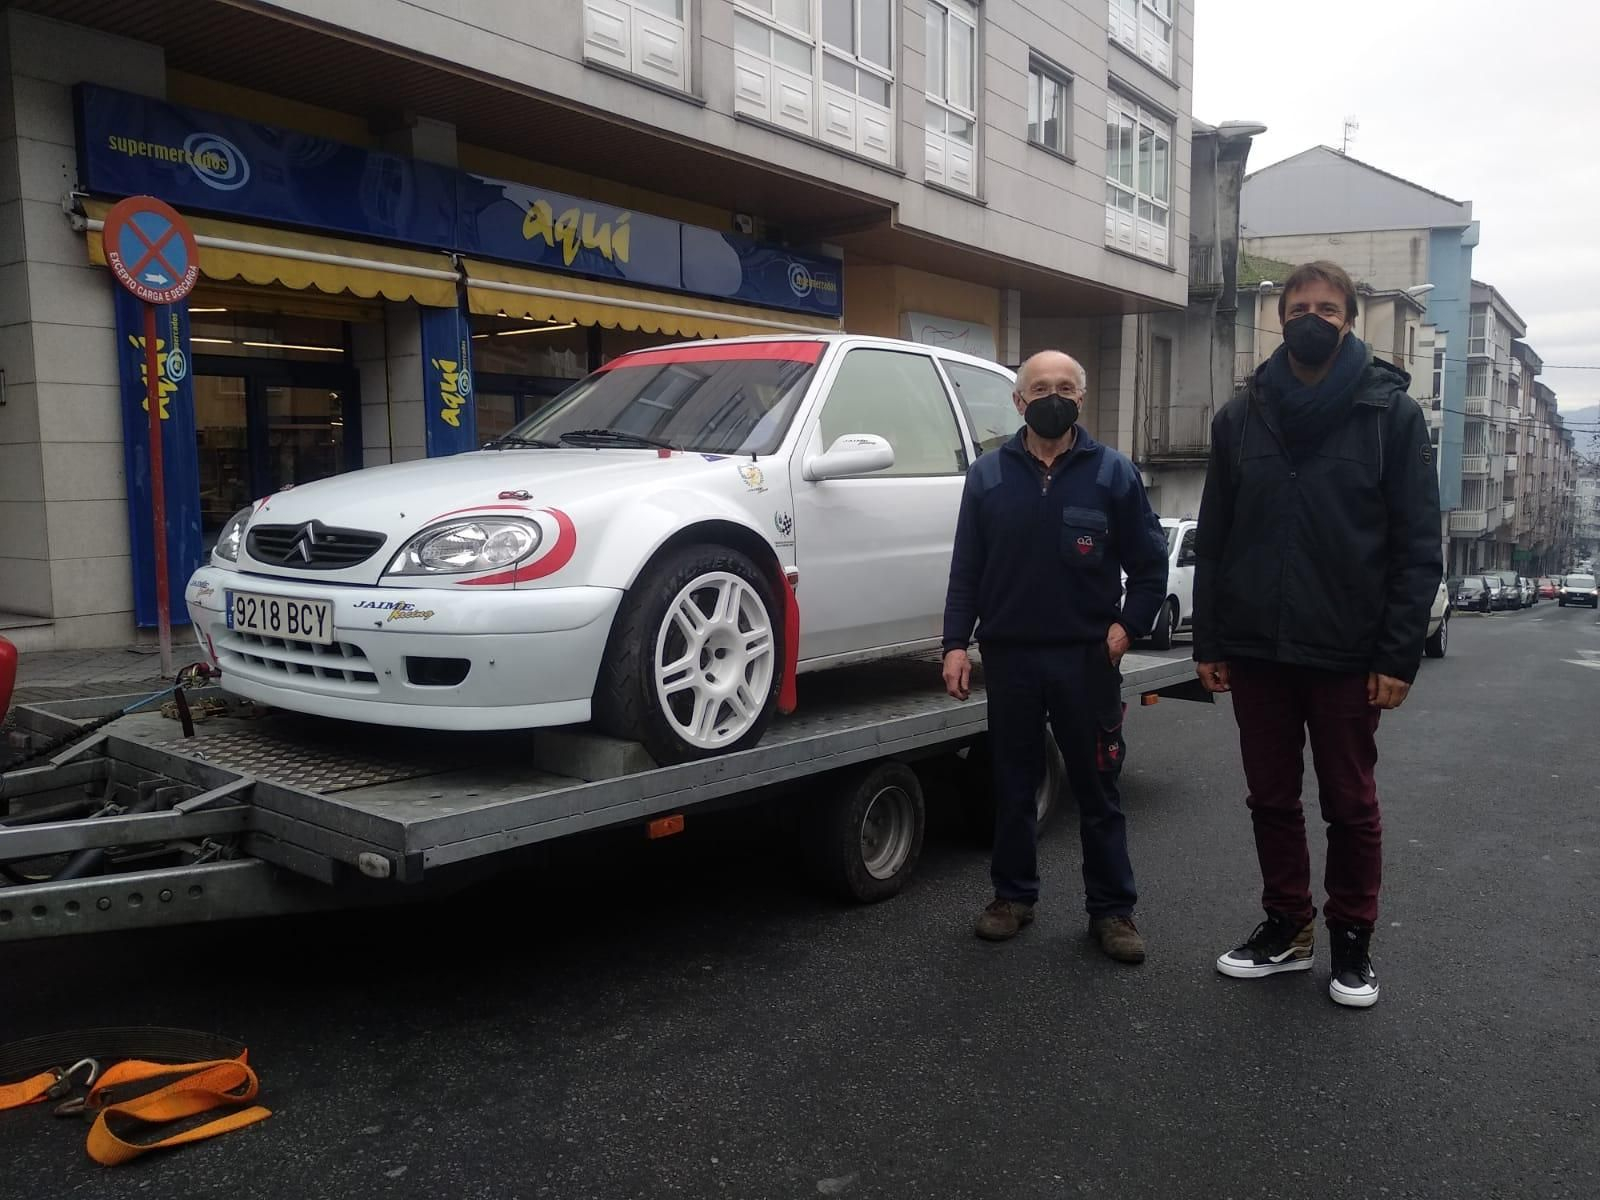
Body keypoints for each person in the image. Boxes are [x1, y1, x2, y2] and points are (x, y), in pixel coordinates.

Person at [1192, 260, 1442, 1008]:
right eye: (1300, 306)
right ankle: (1287, 928)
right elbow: (1217, 535)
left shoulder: (1389, 414)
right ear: (1280, 317)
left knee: (1349, 804)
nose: (1312, 317)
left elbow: (1417, 545)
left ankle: (1353, 944)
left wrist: (1398, 653)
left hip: (1347, 650)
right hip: (1259, 648)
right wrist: (1210, 640)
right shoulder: (1243, 416)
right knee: (1270, 799)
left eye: (1328, 307)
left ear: (1350, 318)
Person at [941, 350, 1168, 963]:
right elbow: (967, 570)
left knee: (1098, 788)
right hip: (1011, 659)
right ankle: (1012, 898)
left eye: (1065, 387)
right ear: (1018, 401)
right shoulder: (987, 476)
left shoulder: (1113, 474)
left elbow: (1149, 567)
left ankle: (1113, 912)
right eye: (1040, 387)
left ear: (1081, 399)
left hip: (1086, 662)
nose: (1053, 396)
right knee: (1012, 785)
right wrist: (955, 644)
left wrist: (1127, 628)